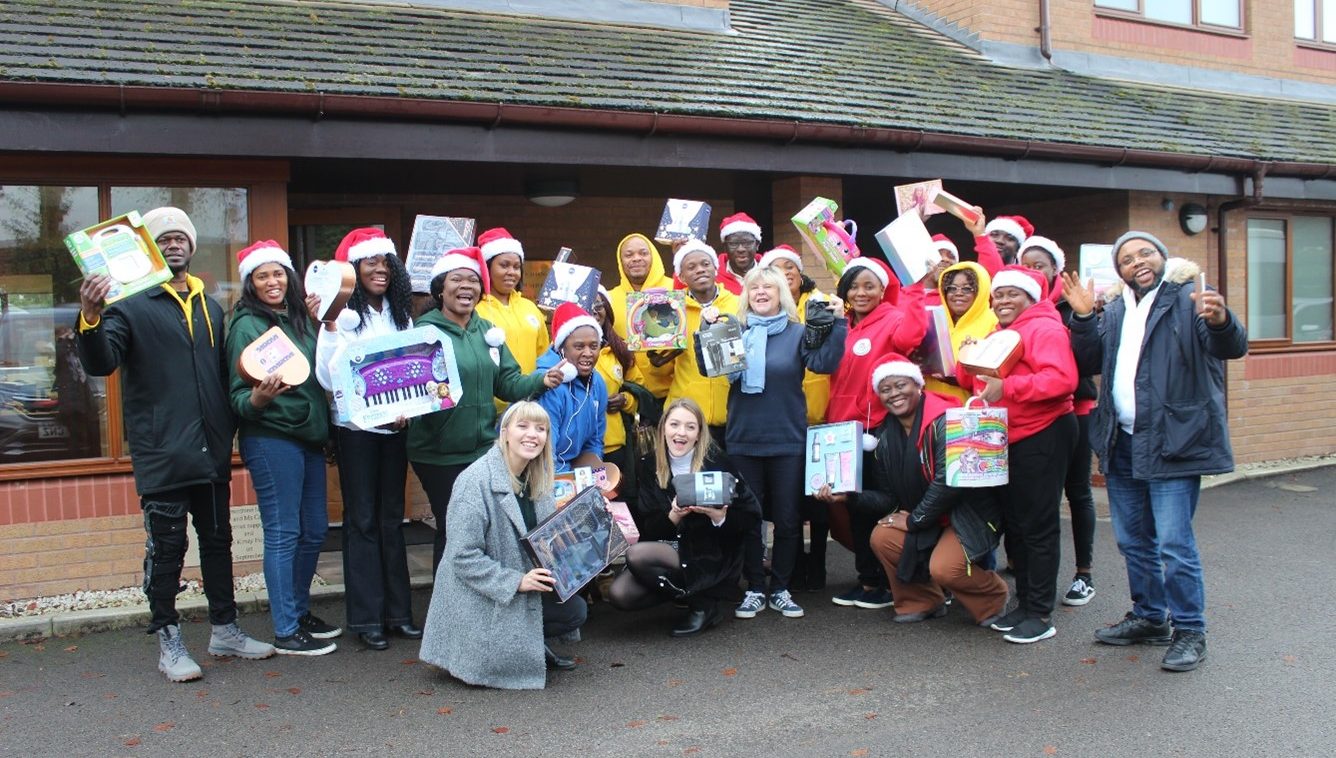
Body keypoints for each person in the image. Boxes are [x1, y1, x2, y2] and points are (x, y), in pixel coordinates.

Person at [76, 207, 273, 682]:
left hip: (210, 448)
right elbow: (102, 363)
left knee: (218, 542)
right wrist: (90, 317)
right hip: (162, 452)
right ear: (148, 249)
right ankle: (168, 637)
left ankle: (225, 628)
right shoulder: (129, 304)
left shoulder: (212, 305)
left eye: (179, 237)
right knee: (166, 550)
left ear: (191, 246)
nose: (173, 245)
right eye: (162, 239)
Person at [1064, 232, 1247, 672]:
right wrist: (1084, 318)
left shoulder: (1190, 298)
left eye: (1145, 253)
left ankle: (1190, 630)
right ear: (1120, 271)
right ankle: (1149, 618)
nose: (1136, 262)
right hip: (1122, 440)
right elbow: (1088, 362)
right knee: (1132, 540)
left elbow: (1230, 346)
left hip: (1174, 441)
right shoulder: (1116, 308)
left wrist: (1222, 320)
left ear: (1164, 258)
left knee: (1174, 544)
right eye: (1126, 259)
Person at [406, 247, 565, 570]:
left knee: (487, 528)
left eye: (473, 280)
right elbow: (408, 390)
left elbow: (507, 382)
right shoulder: (424, 332)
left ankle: (484, 605)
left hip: (482, 449)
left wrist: (540, 380)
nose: (466, 286)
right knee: (454, 529)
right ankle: (448, 613)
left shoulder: (487, 332)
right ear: (440, 288)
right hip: (439, 452)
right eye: (457, 279)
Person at [418, 401, 586, 688]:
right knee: (561, 610)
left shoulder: (537, 476)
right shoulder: (474, 481)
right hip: (478, 594)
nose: (532, 434)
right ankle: (482, 649)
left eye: (540, 428)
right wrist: (517, 581)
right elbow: (462, 557)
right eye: (523, 426)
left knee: (575, 610)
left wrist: (587, 525)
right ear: (505, 432)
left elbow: (545, 537)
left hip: (518, 578)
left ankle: (528, 646)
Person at [226, 241, 337, 656]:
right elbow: (237, 397)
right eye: (262, 276)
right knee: (283, 532)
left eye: (277, 274)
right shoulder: (246, 326)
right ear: (250, 284)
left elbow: (318, 372)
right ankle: (286, 629)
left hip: (308, 438)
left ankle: (299, 610)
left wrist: (320, 322)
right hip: (272, 438)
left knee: (314, 531)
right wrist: (259, 399)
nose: (272, 282)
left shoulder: (298, 320)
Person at [956, 266, 1077, 644]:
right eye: (999, 295)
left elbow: (1062, 381)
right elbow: (978, 383)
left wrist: (1009, 387)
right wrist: (967, 358)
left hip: (1043, 432)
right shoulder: (1001, 332)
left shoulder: (1045, 328)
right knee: (1019, 525)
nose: (1003, 301)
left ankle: (1040, 613)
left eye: (1012, 295)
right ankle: (1024, 605)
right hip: (1008, 436)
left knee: (1038, 526)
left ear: (1030, 297)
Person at [314, 228, 421, 651]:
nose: (379, 270)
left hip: (394, 428)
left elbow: (412, 368)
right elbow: (326, 376)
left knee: (392, 519)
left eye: (385, 263)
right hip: (355, 431)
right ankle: (367, 619)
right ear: (353, 269)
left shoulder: (400, 315)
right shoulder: (339, 314)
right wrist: (331, 326)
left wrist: (407, 411)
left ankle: (399, 614)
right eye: (370, 263)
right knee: (361, 522)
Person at [725, 266, 845, 621]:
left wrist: (838, 324)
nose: (761, 292)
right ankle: (754, 589)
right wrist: (709, 332)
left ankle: (780, 588)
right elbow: (710, 368)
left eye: (769, 287)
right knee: (750, 519)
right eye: (755, 287)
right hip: (744, 439)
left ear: (782, 294)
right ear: (747, 295)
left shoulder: (797, 333)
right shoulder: (734, 331)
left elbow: (823, 363)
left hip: (788, 439)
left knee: (789, 521)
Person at [857, 355, 1007, 625]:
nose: (894, 394)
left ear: (918, 385)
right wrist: (850, 495)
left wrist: (915, 520)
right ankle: (923, 600)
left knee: (945, 568)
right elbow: (889, 497)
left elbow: (948, 483)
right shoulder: (885, 436)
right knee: (883, 536)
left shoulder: (948, 421)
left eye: (901, 385)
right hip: (928, 517)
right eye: (886, 389)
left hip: (966, 516)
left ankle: (992, 598)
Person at [608, 398, 762, 636]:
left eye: (690, 427)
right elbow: (649, 529)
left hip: (712, 551)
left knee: (636, 555)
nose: (681, 433)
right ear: (663, 428)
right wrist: (673, 515)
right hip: (671, 546)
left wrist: (719, 517)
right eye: (675, 424)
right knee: (621, 595)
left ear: (700, 433)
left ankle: (703, 605)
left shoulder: (717, 462)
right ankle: (691, 594)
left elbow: (751, 518)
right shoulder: (649, 464)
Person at [824, 256, 926, 612]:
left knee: (876, 506)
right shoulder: (843, 325)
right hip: (840, 430)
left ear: (884, 289)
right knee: (851, 508)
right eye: (854, 286)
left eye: (870, 286)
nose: (861, 292)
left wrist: (914, 288)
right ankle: (867, 579)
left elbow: (913, 334)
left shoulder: (894, 319)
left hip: (877, 429)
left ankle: (884, 582)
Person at [1021, 236, 1098, 607]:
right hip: (1035, 418)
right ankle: (1033, 574)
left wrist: (1084, 318)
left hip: (1075, 411)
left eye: (1040, 265)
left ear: (1055, 269)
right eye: (1026, 264)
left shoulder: (1073, 306)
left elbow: (1086, 363)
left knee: (1078, 491)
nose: (1033, 270)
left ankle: (1084, 573)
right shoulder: (1015, 310)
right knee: (1040, 505)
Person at [759, 244, 832, 590]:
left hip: (821, 417)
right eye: (776, 268)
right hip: (785, 420)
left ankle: (816, 566)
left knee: (817, 502)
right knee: (786, 502)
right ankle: (793, 564)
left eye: (790, 267)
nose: (785, 272)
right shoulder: (761, 314)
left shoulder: (819, 304)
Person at [664, 240, 740, 445]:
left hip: (733, 414)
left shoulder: (739, 304)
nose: (700, 270)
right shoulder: (672, 310)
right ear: (681, 276)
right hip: (687, 418)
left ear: (716, 268)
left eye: (705, 264)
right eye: (691, 267)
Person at [474, 227, 550, 401]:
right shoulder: (475, 310)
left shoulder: (530, 308)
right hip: (491, 409)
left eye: (517, 267)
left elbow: (544, 357)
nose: (512, 272)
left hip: (532, 404)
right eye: (504, 265)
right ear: (487, 268)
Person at [535, 302, 607, 472]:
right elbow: (545, 455)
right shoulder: (550, 385)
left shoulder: (597, 383)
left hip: (574, 472)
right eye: (579, 346)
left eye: (594, 346)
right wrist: (567, 487)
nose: (588, 353)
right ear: (561, 349)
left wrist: (591, 478)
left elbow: (595, 441)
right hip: (545, 473)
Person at [606, 233, 675, 403]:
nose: (636, 258)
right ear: (620, 261)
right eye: (629, 255)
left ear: (654, 257)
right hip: (627, 396)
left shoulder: (675, 290)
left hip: (673, 393)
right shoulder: (609, 299)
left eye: (643, 253)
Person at [922, 261, 996, 402]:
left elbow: (992, 377)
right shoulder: (934, 320)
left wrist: (953, 378)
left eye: (967, 289)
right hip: (929, 406)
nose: (958, 294)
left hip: (968, 411)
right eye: (952, 288)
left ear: (981, 291)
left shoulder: (993, 322)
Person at [591, 287, 642, 477]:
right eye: (587, 304)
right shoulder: (562, 350)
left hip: (613, 443)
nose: (594, 310)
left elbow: (639, 390)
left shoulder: (620, 350)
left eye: (598, 304)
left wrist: (625, 400)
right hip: (576, 446)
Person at [715, 212, 762, 295]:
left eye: (747, 243)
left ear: (757, 245)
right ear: (725, 247)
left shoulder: (771, 273)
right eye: (734, 243)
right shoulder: (712, 276)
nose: (741, 249)